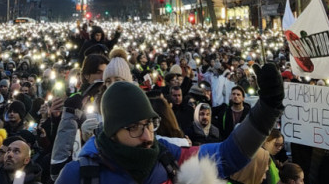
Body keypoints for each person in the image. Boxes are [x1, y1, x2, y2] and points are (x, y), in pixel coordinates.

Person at [55, 63, 285, 184]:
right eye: (134, 127)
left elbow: (228, 155)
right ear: (112, 131)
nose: (147, 136)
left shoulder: (167, 156)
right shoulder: (79, 176)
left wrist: (267, 109)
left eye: (148, 124)